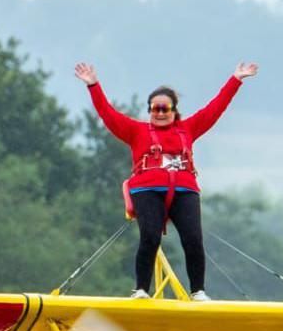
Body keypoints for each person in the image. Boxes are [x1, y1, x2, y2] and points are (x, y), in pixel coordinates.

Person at [75, 59, 258, 300]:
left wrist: (236, 79)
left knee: (193, 238)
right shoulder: (135, 130)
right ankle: (141, 289)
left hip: (184, 189)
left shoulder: (188, 128)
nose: (159, 113)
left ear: (174, 110)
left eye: (165, 109)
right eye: (155, 109)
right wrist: (93, 85)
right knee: (149, 236)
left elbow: (215, 108)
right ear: (149, 110)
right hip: (147, 189)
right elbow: (107, 114)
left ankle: (198, 291)